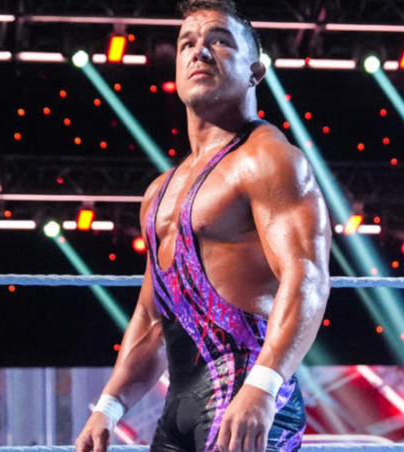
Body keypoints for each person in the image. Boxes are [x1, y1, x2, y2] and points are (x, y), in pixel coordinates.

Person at [75, 1, 331, 452]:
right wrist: (108, 407)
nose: (200, 51)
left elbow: (307, 276)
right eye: (187, 43)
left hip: (248, 390)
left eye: (220, 40)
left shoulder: (268, 159)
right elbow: (152, 318)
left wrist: (264, 385)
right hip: (179, 406)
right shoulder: (160, 192)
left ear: (255, 72)